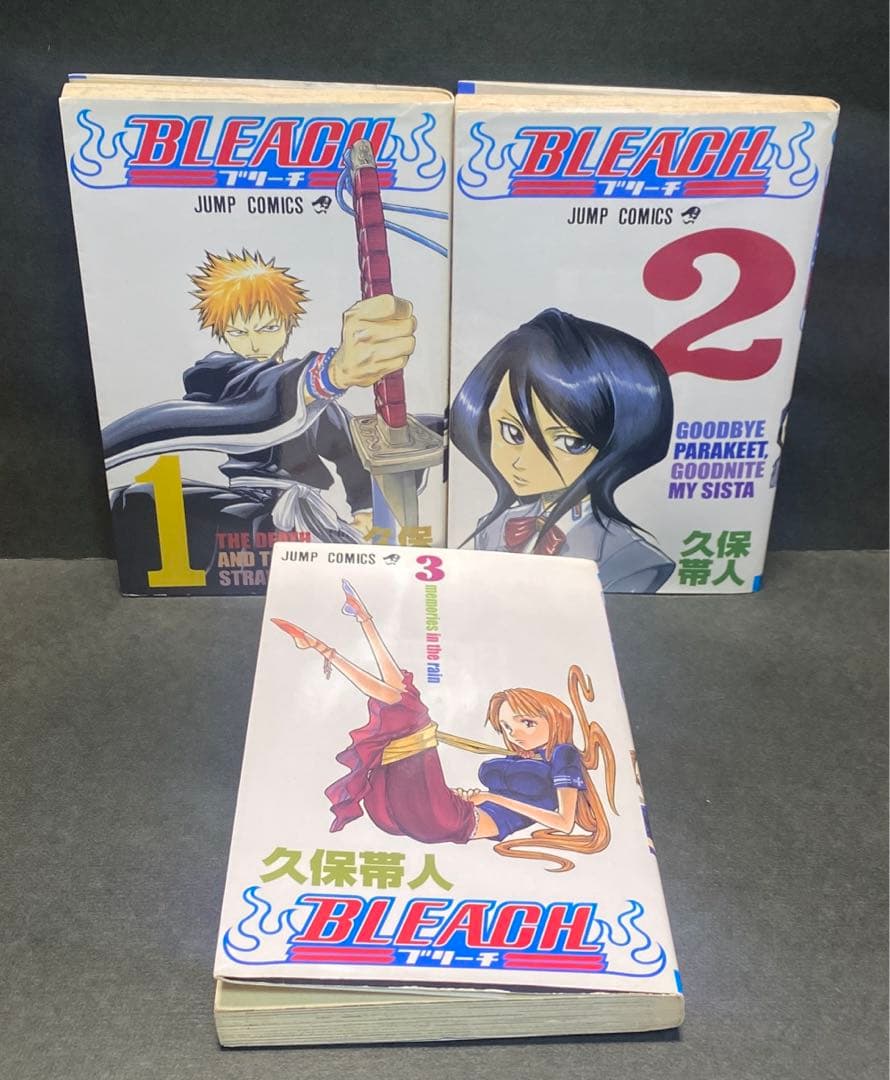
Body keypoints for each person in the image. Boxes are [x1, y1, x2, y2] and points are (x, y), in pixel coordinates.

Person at [102, 250, 417, 590]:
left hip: (308, 514)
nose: (254, 344)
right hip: (245, 504)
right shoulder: (220, 374)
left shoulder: (322, 406)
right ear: (223, 334)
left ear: (288, 324)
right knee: (138, 503)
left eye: (268, 327)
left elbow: (348, 451)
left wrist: (364, 509)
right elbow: (256, 389)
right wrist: (330, 373)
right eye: (238, 332)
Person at [272, 580, 617, 871]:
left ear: (553, 716)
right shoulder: (528, 757)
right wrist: (470, 795)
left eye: (526, 722)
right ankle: (359, 622)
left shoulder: (564, 755)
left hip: (450, 821)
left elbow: (563, 822)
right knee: (407, 702)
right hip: (426, 811)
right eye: (507, 728)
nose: (516, 734)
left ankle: (331, 645)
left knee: (409, 711)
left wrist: (489, 796)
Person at [450, 308, 675, 593]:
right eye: (512, 432)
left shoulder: (631, 559)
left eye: (570, 443)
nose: (523, 461)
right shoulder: (494, 527)